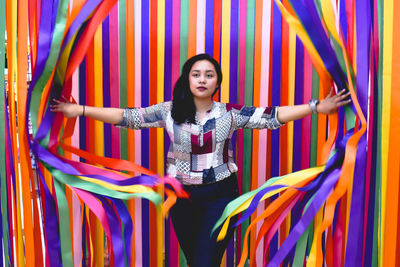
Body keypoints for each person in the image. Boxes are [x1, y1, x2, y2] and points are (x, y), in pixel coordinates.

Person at [51, 53, 351, 266]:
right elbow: (128, 117)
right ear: (188, 79)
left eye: (209, 74)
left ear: (217, 81)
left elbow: (271, 116)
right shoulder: (169, 111)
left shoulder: (229, 113)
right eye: (196, 74)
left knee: (207, 259)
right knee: (196, 259)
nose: (202, 79)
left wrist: (315, 107)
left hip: (220, 195)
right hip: (179, 196)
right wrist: (80, 111)